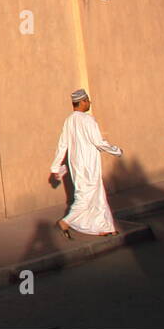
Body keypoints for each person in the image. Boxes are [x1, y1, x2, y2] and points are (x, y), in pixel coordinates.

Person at [49, 88, 123, 238]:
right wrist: (116, 150)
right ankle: (66, 222)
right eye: (87, 100)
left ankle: (105, 227)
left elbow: (62, 144)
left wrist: (56, 166)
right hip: (89, 164)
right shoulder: (88, 120)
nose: (89, 102)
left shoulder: (69, 120)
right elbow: (98, 142)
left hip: (76, 164)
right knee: (85, 196)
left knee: (97, 195)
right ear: (82, 102)